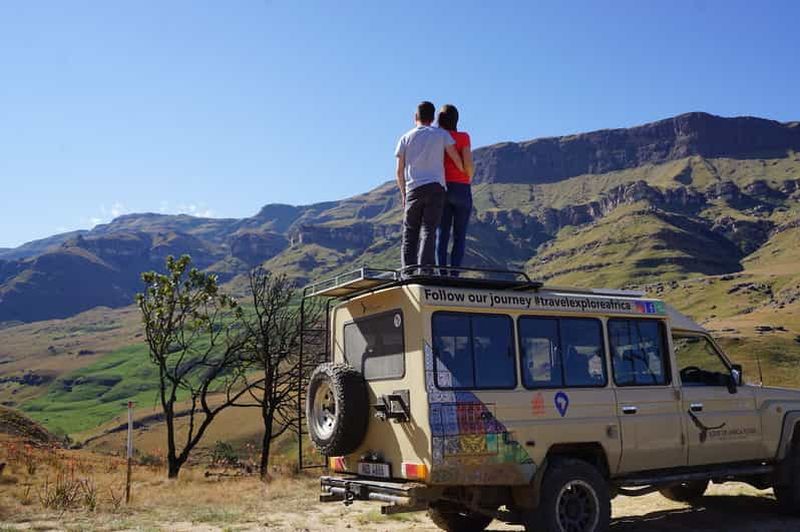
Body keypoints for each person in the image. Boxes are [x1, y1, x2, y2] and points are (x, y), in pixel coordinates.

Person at [395, 101, 464, 273]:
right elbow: (454, 157)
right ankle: (425, 271)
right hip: (435, 188)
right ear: (433, 118)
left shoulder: (405, 138)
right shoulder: (441, 134)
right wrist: (464, 171)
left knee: (410, 232)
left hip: (413, 189)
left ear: (415, 117)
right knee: (429, 230)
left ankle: (408, 272)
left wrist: (404, 194)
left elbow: (399, 170)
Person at [436, 104, 474, 273]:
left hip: (442, 187)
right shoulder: (463, 137)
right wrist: (467, 178)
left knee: (441, 234)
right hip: (461, 187)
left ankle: (441, 274)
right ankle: (455, 274)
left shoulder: (437, 137)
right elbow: (468, 164)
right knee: (459, 236)